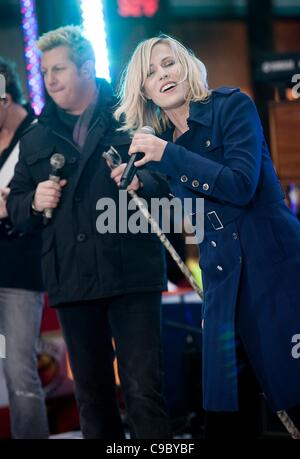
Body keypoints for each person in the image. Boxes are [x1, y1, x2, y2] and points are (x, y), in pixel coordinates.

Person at [113, 34, 300, 437]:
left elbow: (239, 185)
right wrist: (144, 184)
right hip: (221, 291)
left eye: (168, 63)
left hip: (273, 278)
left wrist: (167, 157)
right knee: (226, 417)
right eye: (150, 73)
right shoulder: (172, 146)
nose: (162, 75)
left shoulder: (232, 107)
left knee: (295, 397)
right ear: (143, 91)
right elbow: (192, 200)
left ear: (187, 66)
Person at [7, 26, 171, 439]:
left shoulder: (133, 116)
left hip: (132, 273)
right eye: (45, 71)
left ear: (87, 67)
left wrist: (141, 183)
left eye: (59, 68)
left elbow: (170, 183)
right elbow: (15, 209)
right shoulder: (35, 137)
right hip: (73, 281)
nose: (50, 79)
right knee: (92, 398)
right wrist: (32, 201)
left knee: (142, 391)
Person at [0, 58, 49, 438]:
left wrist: (15, 204)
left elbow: (43, 203)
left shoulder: (38, 133)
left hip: (21, 268)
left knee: (19, 369)